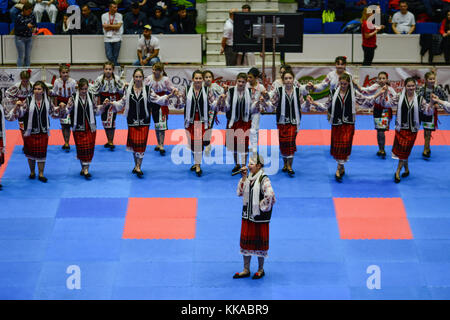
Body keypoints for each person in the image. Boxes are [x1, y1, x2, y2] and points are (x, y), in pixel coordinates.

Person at [308, 73, 383, 182]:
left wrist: (378, 94)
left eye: (345, 84)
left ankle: (339, 168)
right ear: (339, 82)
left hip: (348, 124)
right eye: (341, 83)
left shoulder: (354, 93)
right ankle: (341, 166)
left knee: (345, 146)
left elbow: (366, 101)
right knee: (338, 148)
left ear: (349, 83)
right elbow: (326, 106)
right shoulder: (333, 93)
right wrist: (314, 103)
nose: (343, 85)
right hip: (337, 124)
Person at [107, 68, 176, 177]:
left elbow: (158, 99)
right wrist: (111, 103)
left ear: (143, 78)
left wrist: (169, 96)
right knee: (134, 144)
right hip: (131, 121)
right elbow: (122, 103)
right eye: (136, 77)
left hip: (144, 121)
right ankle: (136, 165)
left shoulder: (148, 90)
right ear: (133, 78)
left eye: (140, 77)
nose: (138, 79)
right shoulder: (128, 90)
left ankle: (139, 166)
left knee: (141, 144)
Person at [10, 81, 71, 183]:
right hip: (30, 131)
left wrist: (61, 108)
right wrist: (17, 106)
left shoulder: (47, 101)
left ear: (43, 91)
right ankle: (32, 172)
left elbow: (53, 112)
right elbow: (20, 114)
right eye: (35, 89)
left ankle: (41, 174)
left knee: (42, 153)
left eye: (39, 89)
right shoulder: (28, 100)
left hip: (43, 130)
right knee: (30, 153)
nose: (37, 91)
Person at [262, 70, 313, 176]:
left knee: (291, 142)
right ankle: (285, 164)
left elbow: (302, 106)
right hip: (281, 122)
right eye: (286, 79)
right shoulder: (278, 91)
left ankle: (290, 166)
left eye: (290, 78)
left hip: (294, 121)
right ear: (283, 80)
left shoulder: (298, 91)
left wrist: (308, 103)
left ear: (293, 80)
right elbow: (272, 106)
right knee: (283, 142)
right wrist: (265, 103)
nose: (288, 80)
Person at [233, 154, 275, 280]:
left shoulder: (264, 180)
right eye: (249, 163)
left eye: (252, 163)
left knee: (259, 243)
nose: (249, 165)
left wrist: (260, 207)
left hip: (259, 218)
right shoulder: (249, 177)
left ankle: (260, 269)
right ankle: (246, 269)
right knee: (245, 243)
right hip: (247, 216)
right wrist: (244, 177)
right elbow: (240, 193)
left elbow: (271, 196)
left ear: (259, 166)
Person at [384, 77, 433, 182]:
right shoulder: (399, 97)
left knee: (404, 150)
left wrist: (432, 103)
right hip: (400, 128)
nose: (411, 88)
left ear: (416, 86)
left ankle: (397, 171)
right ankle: (406, 170)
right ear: (405, 87)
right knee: (403, 151)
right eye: (409, 86)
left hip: (412, 129)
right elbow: (387, 104)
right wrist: (384, 94)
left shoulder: (420, 99)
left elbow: (428, 112)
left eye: (413, 86)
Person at [174, 70, 221, 177]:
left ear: (202, 80)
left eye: (200, 78)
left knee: (198, 143)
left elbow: (213, 105)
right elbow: (180, 105)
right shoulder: (186, 90)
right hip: (189, 121)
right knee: (192, 143)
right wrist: (177, 97)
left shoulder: (207, 90)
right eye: (196, 78)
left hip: (201, 120)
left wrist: (219, 101)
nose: (198, 80)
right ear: (192, 79)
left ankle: (198, 165)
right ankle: (196, 162)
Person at [219, 72, 260, 175]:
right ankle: (237, 164)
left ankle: (243, 165)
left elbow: (252, 108)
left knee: (244, 145)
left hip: (245, 122)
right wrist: (223, 101)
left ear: (246, 82)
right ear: (236, 81)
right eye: (239, 81)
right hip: (233, 122)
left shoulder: (250, 92)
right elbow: (226, 107)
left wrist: (258, 104)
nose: (241, 84)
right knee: (234, 145)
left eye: (243, 82)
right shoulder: (231, 91)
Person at [66, 78, 104, 179]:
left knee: (89, 148)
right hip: (77, 126)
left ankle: (86, 169)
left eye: (86, 89)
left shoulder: (92, 96)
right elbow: (67, 110)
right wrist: (61, 108)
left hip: (90, 126)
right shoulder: (73, 98)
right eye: (82, 89)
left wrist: (103, 106)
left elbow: (96, 110)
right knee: (81, 148)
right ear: (78, 88)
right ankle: (83, 168)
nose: (84, 91)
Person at [356, 71, 397, 158]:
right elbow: (365, 91)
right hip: (377, 110)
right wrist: (356, 84)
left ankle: (382, 150)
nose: (382, 80)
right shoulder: (375, 87)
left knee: (381, 130)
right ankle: (381, 149)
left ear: (387, 79)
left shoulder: (390, 89)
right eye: (380, 78)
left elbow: (395, 98)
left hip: (385, 110)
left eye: (383, 78)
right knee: (379, 130)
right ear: (377, 79)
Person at [89, 61, 125, 150]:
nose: (108, 71)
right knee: (104, 120)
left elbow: (121, 90)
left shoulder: (116, 79)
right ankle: (109, 140)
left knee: (111, 121)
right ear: (103, 69)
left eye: (110, 69)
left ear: (113, 70)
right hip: (103, 102)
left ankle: (111, 141)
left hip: (113, 101)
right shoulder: (99, 79)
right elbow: (94, 91)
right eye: (106, 69)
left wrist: (121, 101)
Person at [144, 62, 174, 155]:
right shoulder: (149, 79)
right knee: (157, 124)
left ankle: (162, 144)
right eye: (153, 69)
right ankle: (158, 143)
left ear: (161, 71)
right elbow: (144, 89)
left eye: (156, 70)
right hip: (152, 103)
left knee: (162, 125)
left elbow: (171, 88)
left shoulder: (165, 80)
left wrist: (175, 91)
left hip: (162, 103)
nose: (154, 71)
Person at [417, 71, 448, 158]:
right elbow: (417, 99)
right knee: (424, 130)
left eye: (433, 79)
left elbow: (445, 99)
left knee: (428, 131)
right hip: (422, 112)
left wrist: (439, 104)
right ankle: (427, 146)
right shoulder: (421, 89)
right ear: (425, 80)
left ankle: (426, 149)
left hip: (431, 113)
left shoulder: (438, 88)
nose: (432, 81)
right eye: (430, 79)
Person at [3, 70, 34, 152]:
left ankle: (31, 143)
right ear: (21, 79)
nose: (25, 82)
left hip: (30, 109)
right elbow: (7, 93)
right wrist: (15, 101)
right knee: (22, 128)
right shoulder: (17, 86)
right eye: (23, 81)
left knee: (30, 127)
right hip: (20, 111)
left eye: (27, 81)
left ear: (29, 79)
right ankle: (25, 144)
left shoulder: (33, 85)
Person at [51, 64, 77, 152]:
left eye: (66, 72)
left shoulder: (73, 82)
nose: (65, 74)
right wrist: (48, 92)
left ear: (69, 72)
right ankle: (66, 142)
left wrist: (72, 103)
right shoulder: (57, 82)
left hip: (70, 102)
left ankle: (73, 140)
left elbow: (75, 94)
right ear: (60, 73)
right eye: (63, 72)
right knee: (63, 124)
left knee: (70, 123)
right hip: (60, 102)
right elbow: (54, 92)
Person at [202, 70, 224, 156]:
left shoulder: (215, 86)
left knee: (209, 126)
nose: (208, 79)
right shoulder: (201, 86)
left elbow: (222, 93)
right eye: (206, 77)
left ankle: (207, 144)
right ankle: (202, 141)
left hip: (212, 108)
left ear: (212, 78)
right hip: (201, 109)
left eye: (209, 77)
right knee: (202, 126)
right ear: (203, 79)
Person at [246, 67, 266, 155]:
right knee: (245, 130)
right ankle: (244, 146)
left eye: (250, 77)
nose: (248, 79)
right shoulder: (245, 85)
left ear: (256, 78)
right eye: (248, 77)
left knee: (254, 130)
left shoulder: (260, 87)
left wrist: (263, 98)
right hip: (245, 111)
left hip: (256, 111)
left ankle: (254, 148)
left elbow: (267, 98)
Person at [14, 2, 36, 68]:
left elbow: (34, 23)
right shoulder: (18, 17)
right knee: (21, 56)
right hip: (20, 38)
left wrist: (34, 28)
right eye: (28, 11)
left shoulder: (32, 15)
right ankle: (18, 72)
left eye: (31, 11)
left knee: (28, 56)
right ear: (24, 10)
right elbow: (17, 29)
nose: (30, 12)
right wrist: (27, 26)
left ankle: (27, 72)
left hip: (29, 38)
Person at [101, 2, 124, 66]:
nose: (116, 9)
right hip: (107, 38)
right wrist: (115, 26)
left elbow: (118, 27)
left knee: (115, 56)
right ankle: (118, 67)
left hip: (117, 38)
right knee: (109, 56)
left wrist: (109, 25)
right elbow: (105, 28)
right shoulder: (104, 15)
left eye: (116, 7)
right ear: (110, 8)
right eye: (114, 7)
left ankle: (115, 69)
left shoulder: (119, 15)